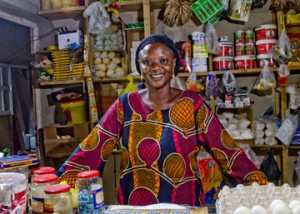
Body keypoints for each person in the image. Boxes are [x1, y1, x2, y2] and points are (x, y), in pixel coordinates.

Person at [56, 34, 267, 206]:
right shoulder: (125, 105)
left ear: (174, 64)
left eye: (163, 61)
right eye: (148, 62)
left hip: (184, 207)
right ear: (139, 66)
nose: (156, 67)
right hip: (135, 209)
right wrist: (59, 186)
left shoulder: (192, 104)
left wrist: (260, 187)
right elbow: (92, 147)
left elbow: (226, 151)